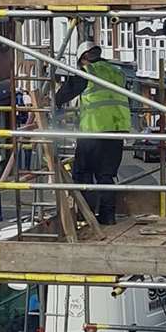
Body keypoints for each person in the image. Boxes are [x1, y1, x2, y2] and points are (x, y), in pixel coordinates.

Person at [55, 41, 132, 226]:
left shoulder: (87, 72)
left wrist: (54, 104)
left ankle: (85, 214)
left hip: (93, 129)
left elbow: (63, 95)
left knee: (83, 172)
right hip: (116, 131)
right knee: (106, 175)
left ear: (84, 58)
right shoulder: (117, 72)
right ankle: (107, 216)